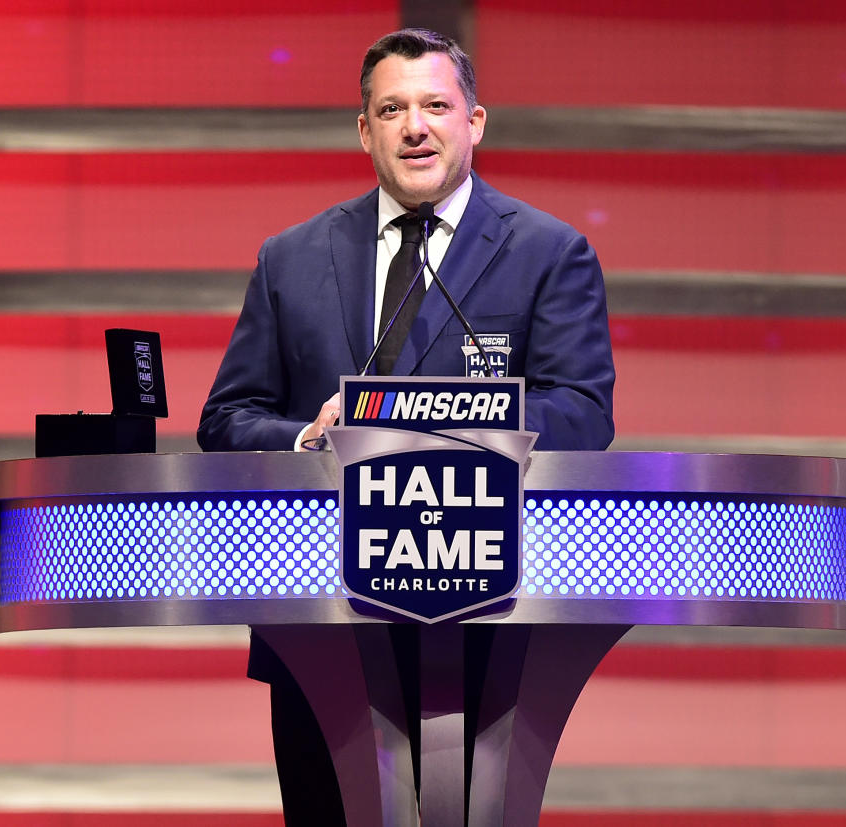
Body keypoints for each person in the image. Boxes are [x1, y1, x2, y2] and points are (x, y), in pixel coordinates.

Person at [197, 27, 615, 824]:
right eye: (392, 108)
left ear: (475, 122)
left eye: (435, 105)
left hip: (486, 620)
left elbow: (583, 415)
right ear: (365, 129)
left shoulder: (549, 252)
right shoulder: (291, 257)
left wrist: (443, 420)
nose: (414, 126)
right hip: (320, 623)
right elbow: (225, 420)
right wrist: (303, 438)